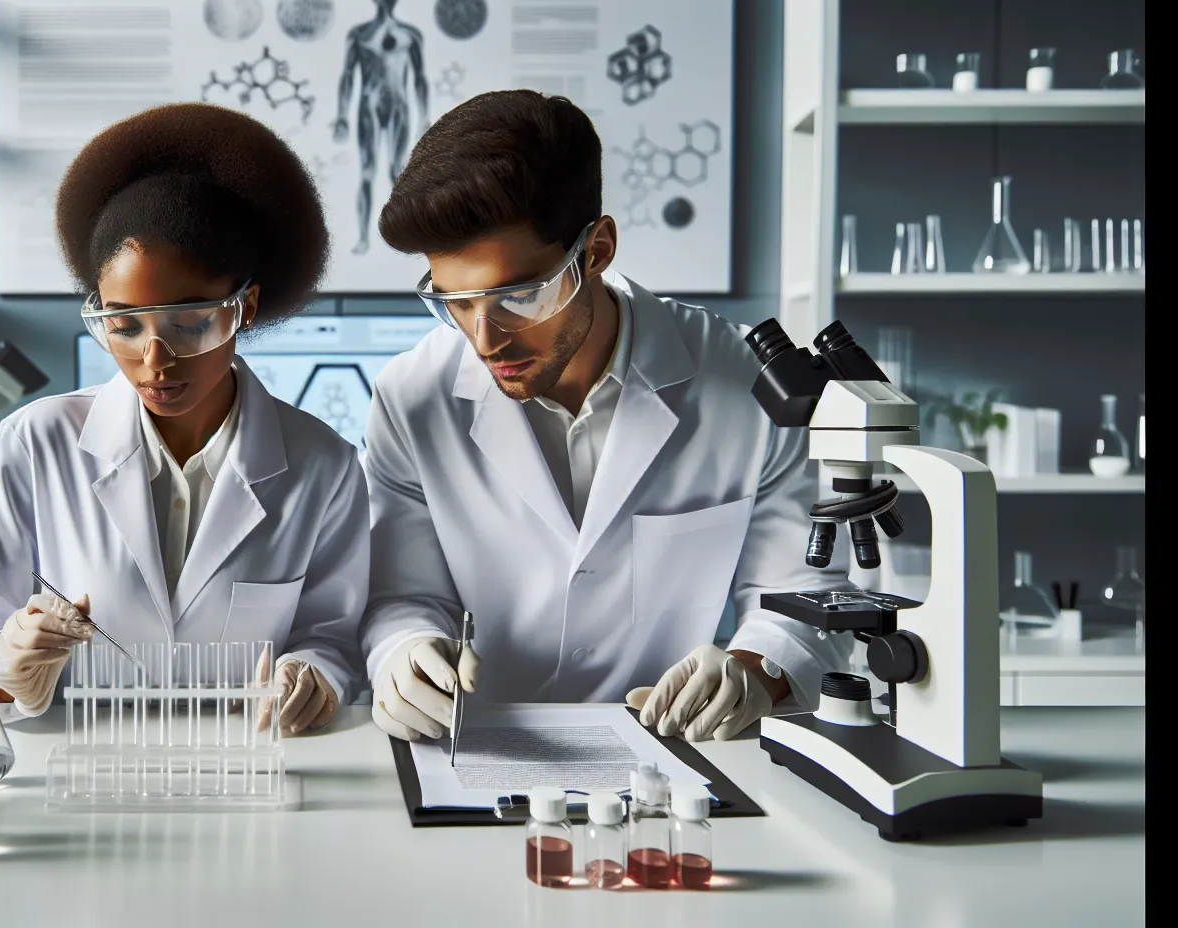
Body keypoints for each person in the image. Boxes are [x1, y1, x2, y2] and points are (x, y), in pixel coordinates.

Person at [359, 90, 853, 745]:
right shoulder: (409, 396)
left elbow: (803, 592)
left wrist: (752, 673)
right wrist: (403, 652)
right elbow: (401, 594)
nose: (484, 339)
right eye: (455, 302)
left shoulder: (750, 386)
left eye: (518, 296)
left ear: (597, 249)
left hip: (675, 751)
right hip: (481, 750)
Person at [0, 103, 369, 738]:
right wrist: (1, 668)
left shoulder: (324, 466)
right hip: (74, 780)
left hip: (250, 776)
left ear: (245, 308)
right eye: (122, 326)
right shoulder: (37, 445)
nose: (155, 360)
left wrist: (313, 673)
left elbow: (333, 636)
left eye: (187, 324)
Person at [331, 0, 429, 256]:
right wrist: (341, 116)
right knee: (367, 172)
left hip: (399, 106)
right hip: (369, 105)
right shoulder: (359, 35)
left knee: (398, 171)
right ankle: (364, 237)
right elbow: (348, 77)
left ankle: (407, 237)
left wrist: (424, 116)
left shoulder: (410, 35)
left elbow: (420, 78)